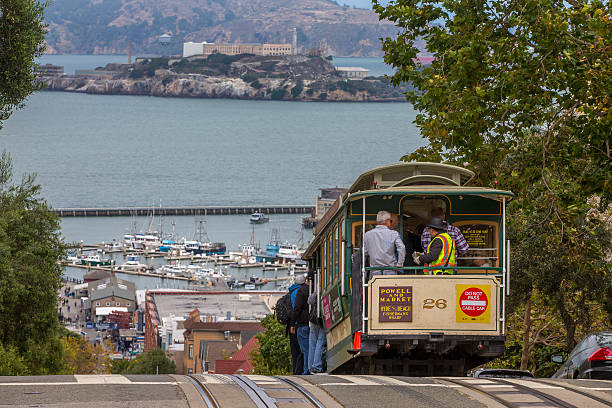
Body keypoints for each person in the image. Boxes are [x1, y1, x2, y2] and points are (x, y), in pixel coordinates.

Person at [363, 210, 406, 276]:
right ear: (387, 221)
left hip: (374, 272)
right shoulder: (394, 234)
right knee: (390, 286)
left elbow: (364, 252)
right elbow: (402, 248)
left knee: (374, 286)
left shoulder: (367, 235)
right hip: (390, 271)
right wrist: (399, 264)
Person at [290, 274, 310, 375]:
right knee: (309, 348)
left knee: (302, 350)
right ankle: (306, 369)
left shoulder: (296, 292)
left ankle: (304, 371)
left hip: (300, 324)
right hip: (310, 322)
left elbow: (296, 309)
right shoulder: (309, 289)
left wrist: (292, 324)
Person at [307, 289, 326, 374]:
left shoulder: (317, 291)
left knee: (312, 343)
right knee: (320, 342)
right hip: (321, 320)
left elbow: (309, 300)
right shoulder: (323, 289)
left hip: (313, 319)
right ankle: (316, 366)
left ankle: (310, 367)